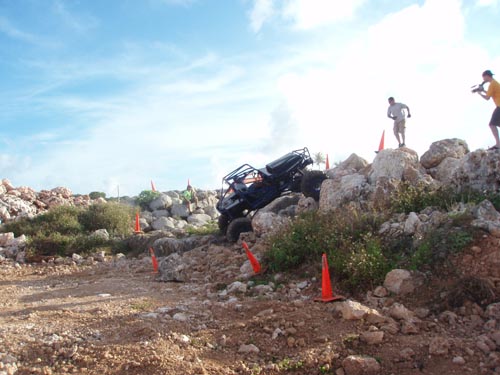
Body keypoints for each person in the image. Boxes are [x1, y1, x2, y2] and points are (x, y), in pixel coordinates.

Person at [476, 70, 500, 150]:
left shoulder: (492, 84)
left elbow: (487, 98)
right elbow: (490, 94)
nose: (483, 80)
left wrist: (479, 94)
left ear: (487, 76)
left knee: (492, 124)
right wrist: (482, 90)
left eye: (484, 77)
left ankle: (498, 144)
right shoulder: (494, 83)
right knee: (495, 124)